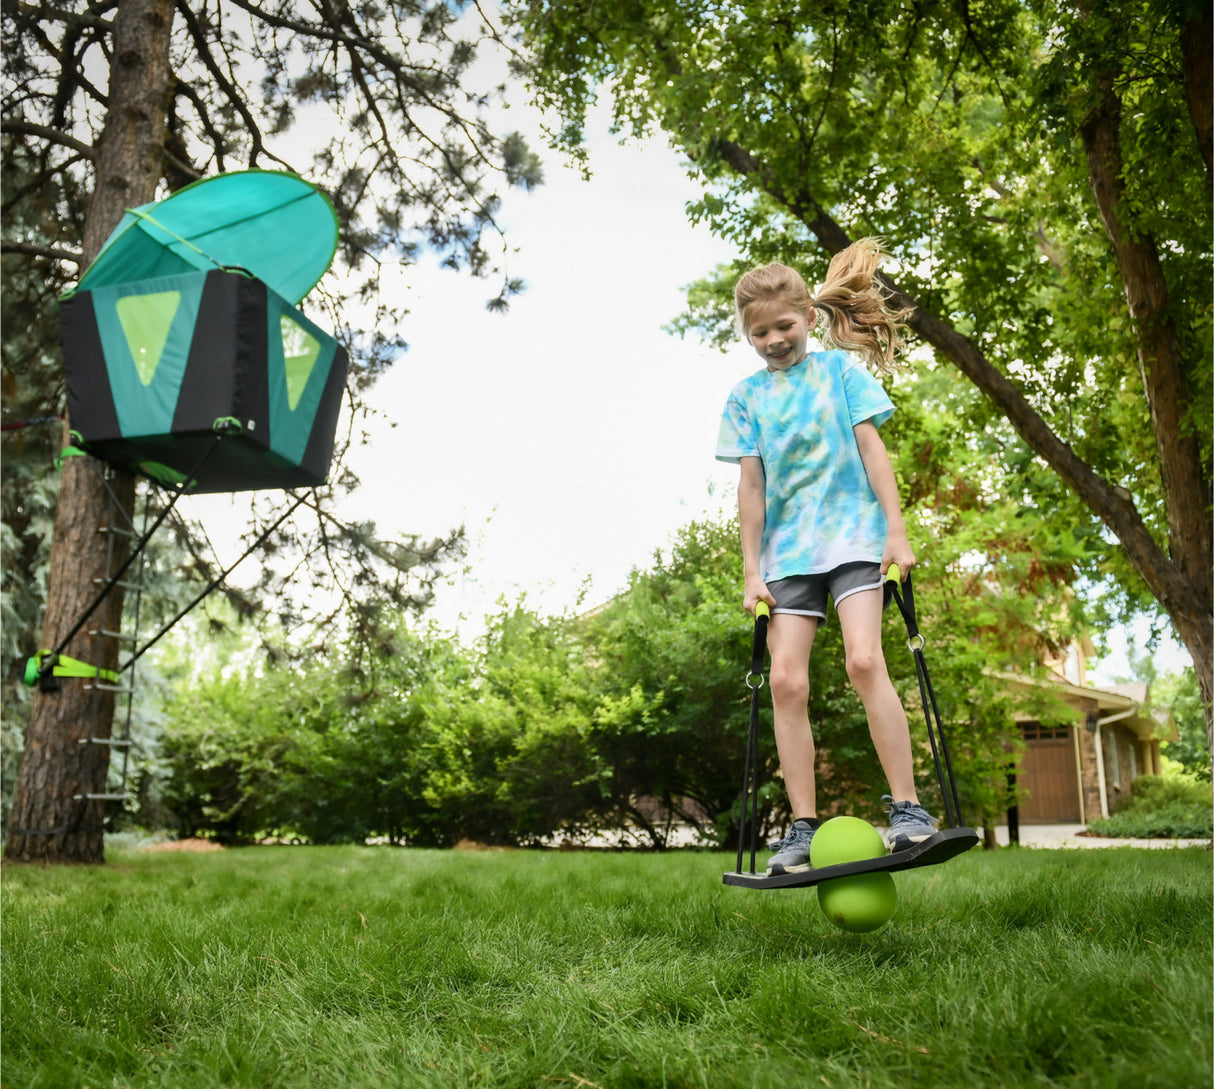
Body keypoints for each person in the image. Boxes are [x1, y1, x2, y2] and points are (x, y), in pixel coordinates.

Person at [715, 239, 937, 875]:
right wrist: (752, 571)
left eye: (784, 325)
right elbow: (751, 488)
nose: (774, 340)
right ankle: (802, 827)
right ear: (748, 335)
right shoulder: (745, 398)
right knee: (785, 681)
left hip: (855, 539)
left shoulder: (841, 373)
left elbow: (873, 453)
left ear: (808, 317)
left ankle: (908, 810)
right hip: (788, 556)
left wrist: (897, 532)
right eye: (760, 332)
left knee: (866, 661)